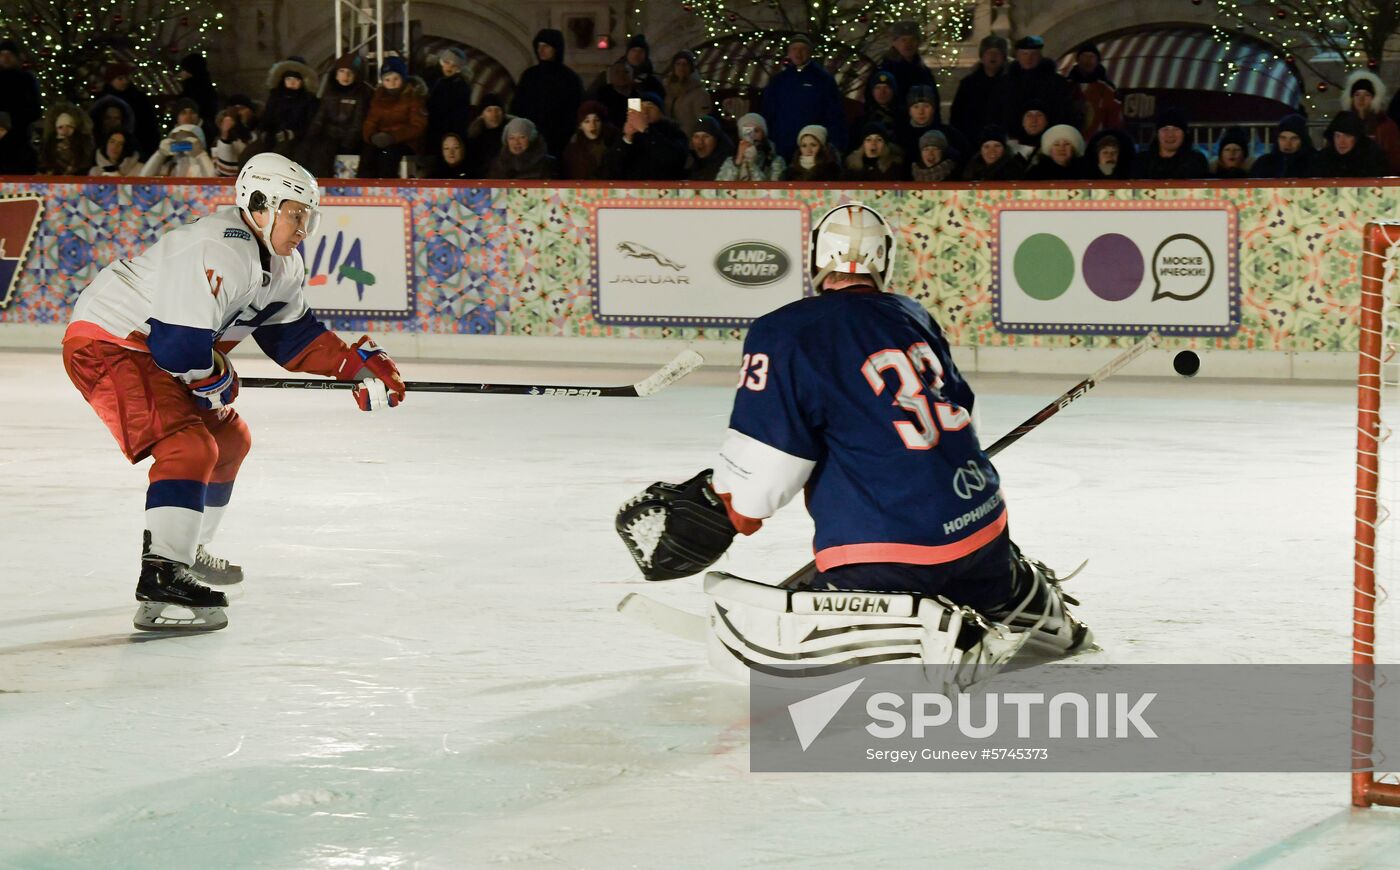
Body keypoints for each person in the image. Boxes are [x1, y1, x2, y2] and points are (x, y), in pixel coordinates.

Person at [615, 202, 1090, 679]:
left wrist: (728, 508)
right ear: (884, 262)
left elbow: (762, 477)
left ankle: (938, 635)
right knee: (978, 567)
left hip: (889, 555)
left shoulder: (783, 332)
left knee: (845, 594)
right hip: (985, 531)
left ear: (817, 260)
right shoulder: (912, 313)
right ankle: (1022, 599)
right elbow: (966, 420)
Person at [61, 153, 406, 633]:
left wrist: (353, 364)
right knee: (188, 446)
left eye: (308, 215)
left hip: (152, 352)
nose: (303, 226)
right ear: (259, 203)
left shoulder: (282, 264)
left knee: (231, 440)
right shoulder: (218, 248)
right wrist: (210, 374)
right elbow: (178, 347)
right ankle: (162, 576)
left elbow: (294, 338)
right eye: (295, 212)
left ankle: (185, 552)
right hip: (109, 343)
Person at [764, 33, 848, 161]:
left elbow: (834, 115)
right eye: (794, 49)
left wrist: (834, 144)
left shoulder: (823, 79)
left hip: (813, 149)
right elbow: (769, 113)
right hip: (783, 148)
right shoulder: (779, 81)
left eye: (802, 49)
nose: (798, 53)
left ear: (809, 52)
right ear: (789, 53)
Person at [511, 29, 585, 160]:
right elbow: (518, 107)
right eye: (538, 46)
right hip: (530, 140)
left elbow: (576, 110)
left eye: (546, 46)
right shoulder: (529, 76)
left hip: (561, 141)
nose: (541, 50)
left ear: (556, 48)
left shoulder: (569, 78)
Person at [299, 54, 374, 178]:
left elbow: (357, 124)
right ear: (336, 74)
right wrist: (310, 136)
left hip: (345, 139)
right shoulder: (330, 92)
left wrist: (347, 144)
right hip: (328, 135)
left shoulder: (361, 94)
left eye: (350, 72)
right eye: (342, 71)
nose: (345, 76)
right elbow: (320, 118)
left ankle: (322, 183)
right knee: (305, 149)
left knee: (325, 150)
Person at [358, 57, 427, 179]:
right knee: (368, 153)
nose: (392, 83)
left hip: (404, 142)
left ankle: (386, 188)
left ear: (403, 78)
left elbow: (417, 125)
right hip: (381, 139)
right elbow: (370, 122)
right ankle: (363, 188)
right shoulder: (378, 97)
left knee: (389, 155)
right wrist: (372, 137)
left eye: (396, 79)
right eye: (387, 80)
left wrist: (393, 137)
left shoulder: (413, 96)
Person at [604, 91, 688, 180]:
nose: (645, 110)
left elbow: (672, 159)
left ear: (661, 112)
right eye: (642, 107)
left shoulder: (674, 132)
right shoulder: (631, 134)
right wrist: (627, 138)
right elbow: (612, 166)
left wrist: (646, 130)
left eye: (650, 106)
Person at [950, 36, 1013, 147]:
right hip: (973, 142)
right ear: (982, 56)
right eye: (989, 52)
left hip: (1003, 142)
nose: (993, 56)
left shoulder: (1012, 83)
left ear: (1003, 57)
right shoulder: (968, 84)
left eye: (997, 53)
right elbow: (957, 114)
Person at [258, 58, 320, 159]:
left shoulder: (309, 100)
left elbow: (311, 124)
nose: (292, 83)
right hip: (272, 137)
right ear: (283, 80)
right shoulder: (275, 97)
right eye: (289, 79)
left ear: (302, 82)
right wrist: (265, 132)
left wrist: (293, 134)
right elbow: (267, 117)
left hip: (297, 140)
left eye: (296, 80)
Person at [1343, 70, 1400, 173]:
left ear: (1374, 98)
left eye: (1367, 95)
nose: (1361, 99)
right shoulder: (1343, 124)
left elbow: (1394, 161)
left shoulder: (1386, 126)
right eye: (1357, 94)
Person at [100, 62, 160, 159]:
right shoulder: (104, 100)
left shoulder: (138, 98)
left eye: (126, 78)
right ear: (111, 81)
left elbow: (149, 124)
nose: (125, 81)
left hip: (139, 144)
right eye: (120, 79)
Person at [878, 21, 939, 116]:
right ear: (894, 42)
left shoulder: (923, 71)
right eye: (903, 40)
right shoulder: (885, 71)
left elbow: (933, 101)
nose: (908, 44)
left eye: (912, 40)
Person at [426, 46, 475, 155]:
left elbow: (461, 114)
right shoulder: (431, 77)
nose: (449, 67)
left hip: (447, 129)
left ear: (459, 69)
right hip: (429, 127)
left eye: (454, 65)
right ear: (441, 62)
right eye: (447, 62)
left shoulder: (461, 87)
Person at [1136, 108, 1209, 179]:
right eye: (1165, 129)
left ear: (1184, 134)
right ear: (1157, 134)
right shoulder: (1142, 161)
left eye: (1176, 129)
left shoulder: (1196, 161)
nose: (1170, 134)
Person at [1311, 110, 1389, 178]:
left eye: (1347, 136)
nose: (1341, 142)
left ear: (1357, 138)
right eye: (1337, 136)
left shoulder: (1372, 159)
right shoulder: (1323, 160)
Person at [716, 112, 786, 182]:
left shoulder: (776, 161)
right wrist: (737, 162)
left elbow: (772, 190)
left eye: (756, 131)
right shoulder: (730, 161)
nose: (752, 136)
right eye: (747, 131)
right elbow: (719, 187)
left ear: (763, 134)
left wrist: (752, 165)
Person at [663, 50, 714, 137]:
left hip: (688, 141)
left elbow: (703, 121)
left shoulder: (699, 93)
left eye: (685, 64)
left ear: (691, 68)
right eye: (678, 64)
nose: (681, 67)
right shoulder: (667, 90)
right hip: (670, 139)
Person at [487, 116, 557, 179]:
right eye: (512, 138)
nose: (516, 142)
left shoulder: (547, 164)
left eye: (522, 137)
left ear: (531, 139)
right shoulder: (497, 164)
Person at [561, 101, 617, 180]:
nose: (592, 126)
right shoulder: (572, 151)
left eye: (596, 120)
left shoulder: (613, 145)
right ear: (580, 126)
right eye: (587, 121)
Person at [37, 103, 96, 176]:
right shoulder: (49, 144)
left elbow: (85, 163)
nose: (65, 130)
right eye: (60, 127)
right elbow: (44, 164)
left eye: (69, 126)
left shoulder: (83, 143)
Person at [140, 123, 217, 178]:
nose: (181, 142)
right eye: (176, 140)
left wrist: (201, 155)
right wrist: (159, 155)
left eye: (186, 140)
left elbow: (214, 185)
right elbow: (141, 182)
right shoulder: (169, 168)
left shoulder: (204, 167)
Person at [1249, 114, 1313, 179]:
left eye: (1294, 139)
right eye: (1283, 138)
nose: (1287, 144)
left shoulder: (1313, 163)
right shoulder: (1264, 163)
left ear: (1303, 140)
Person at [464, 95, 512, 178]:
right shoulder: (473, 137)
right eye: (489, 110)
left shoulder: (512, 134)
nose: (494, 114)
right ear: (482, 114)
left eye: (497, 110)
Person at [685, 115, 731, 181]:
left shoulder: (727, 164)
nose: (700, 142)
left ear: (716, 139)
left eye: (706, 136)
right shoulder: (692, 162)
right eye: (696, 137)